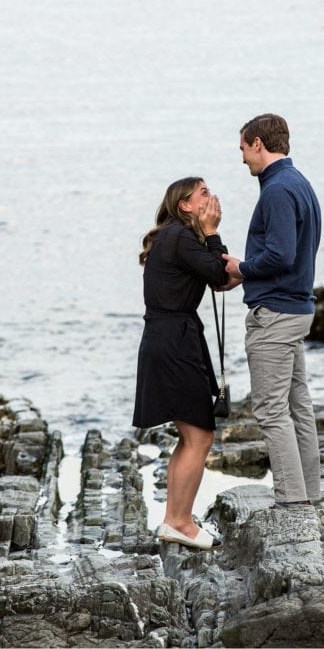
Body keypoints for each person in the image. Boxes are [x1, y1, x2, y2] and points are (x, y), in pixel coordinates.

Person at [222, 113, 323, 508]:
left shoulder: (278, 190)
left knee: (270, 409)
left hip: (277, 315)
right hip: (297, 307)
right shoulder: (299, 184)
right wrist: (247, 273)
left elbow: (281, 254)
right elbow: (290, 253)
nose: (243, 158)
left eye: (244, 149)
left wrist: (242, 268)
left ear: (259, 144)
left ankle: (292, 499)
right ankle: (308, 494)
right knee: (298, 406)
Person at [133, 176, 228, 550]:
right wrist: (213, 231)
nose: (211, 196)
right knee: (200, 436)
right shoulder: (181, 237)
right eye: (203, 192)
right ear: (185, 205)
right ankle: (180, 522)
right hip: (175, 342)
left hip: (168, 338)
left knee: (189, 436)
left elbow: (216, 276)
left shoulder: (174, 238)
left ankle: (175, 519)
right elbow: (219, 274)